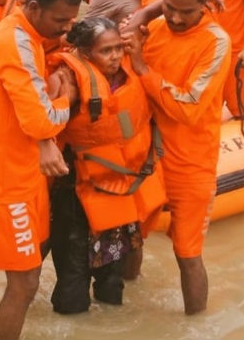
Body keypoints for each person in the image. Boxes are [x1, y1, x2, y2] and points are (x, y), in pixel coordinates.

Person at [0, 0, 80, 340]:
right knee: (25, 282)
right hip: (5, 182)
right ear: (32, 7)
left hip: (20, 174)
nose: (65, 29)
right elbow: (41, 119)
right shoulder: (14, 42)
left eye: (71, 21)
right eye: (60, 21)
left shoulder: (26, 36)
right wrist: (69, 98)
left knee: (25, 279)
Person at [122, 0, 231, 315]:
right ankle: (125, 311)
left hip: (191, 163)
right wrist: (149, 14)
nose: (177, 19)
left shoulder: (216, 42)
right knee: (130, 239)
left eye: (187, 12)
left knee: (188, 254)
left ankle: (195, 326)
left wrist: (142, 67)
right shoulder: (152, 27)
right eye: (170, 7)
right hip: (145, 156)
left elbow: (188, 108)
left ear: (204, 5)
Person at [48, 17, 166, 314]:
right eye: (105, 51)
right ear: (85, 53)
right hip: (76, 191)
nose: (115, 57)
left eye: (118, 49)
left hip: (119, 192)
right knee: (73, 281)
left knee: (112, 283)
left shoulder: (131, 72)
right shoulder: (67, 79)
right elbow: (45, 129)